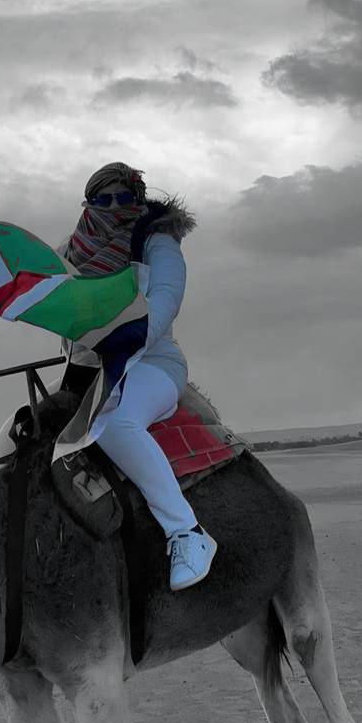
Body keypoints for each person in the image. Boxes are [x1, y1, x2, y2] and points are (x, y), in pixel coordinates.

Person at [59, 161, 216, 591]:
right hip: (89, 370)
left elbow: (165, 299)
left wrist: (126, 339)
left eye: (124, 198)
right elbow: (56, 305)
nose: (113, 207)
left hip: (151, 363)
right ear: (88, 204)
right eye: (102, 199)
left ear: (139, 200)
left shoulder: (156, 243)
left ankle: (188, 533)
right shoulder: (70, 252)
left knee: (113, 425)